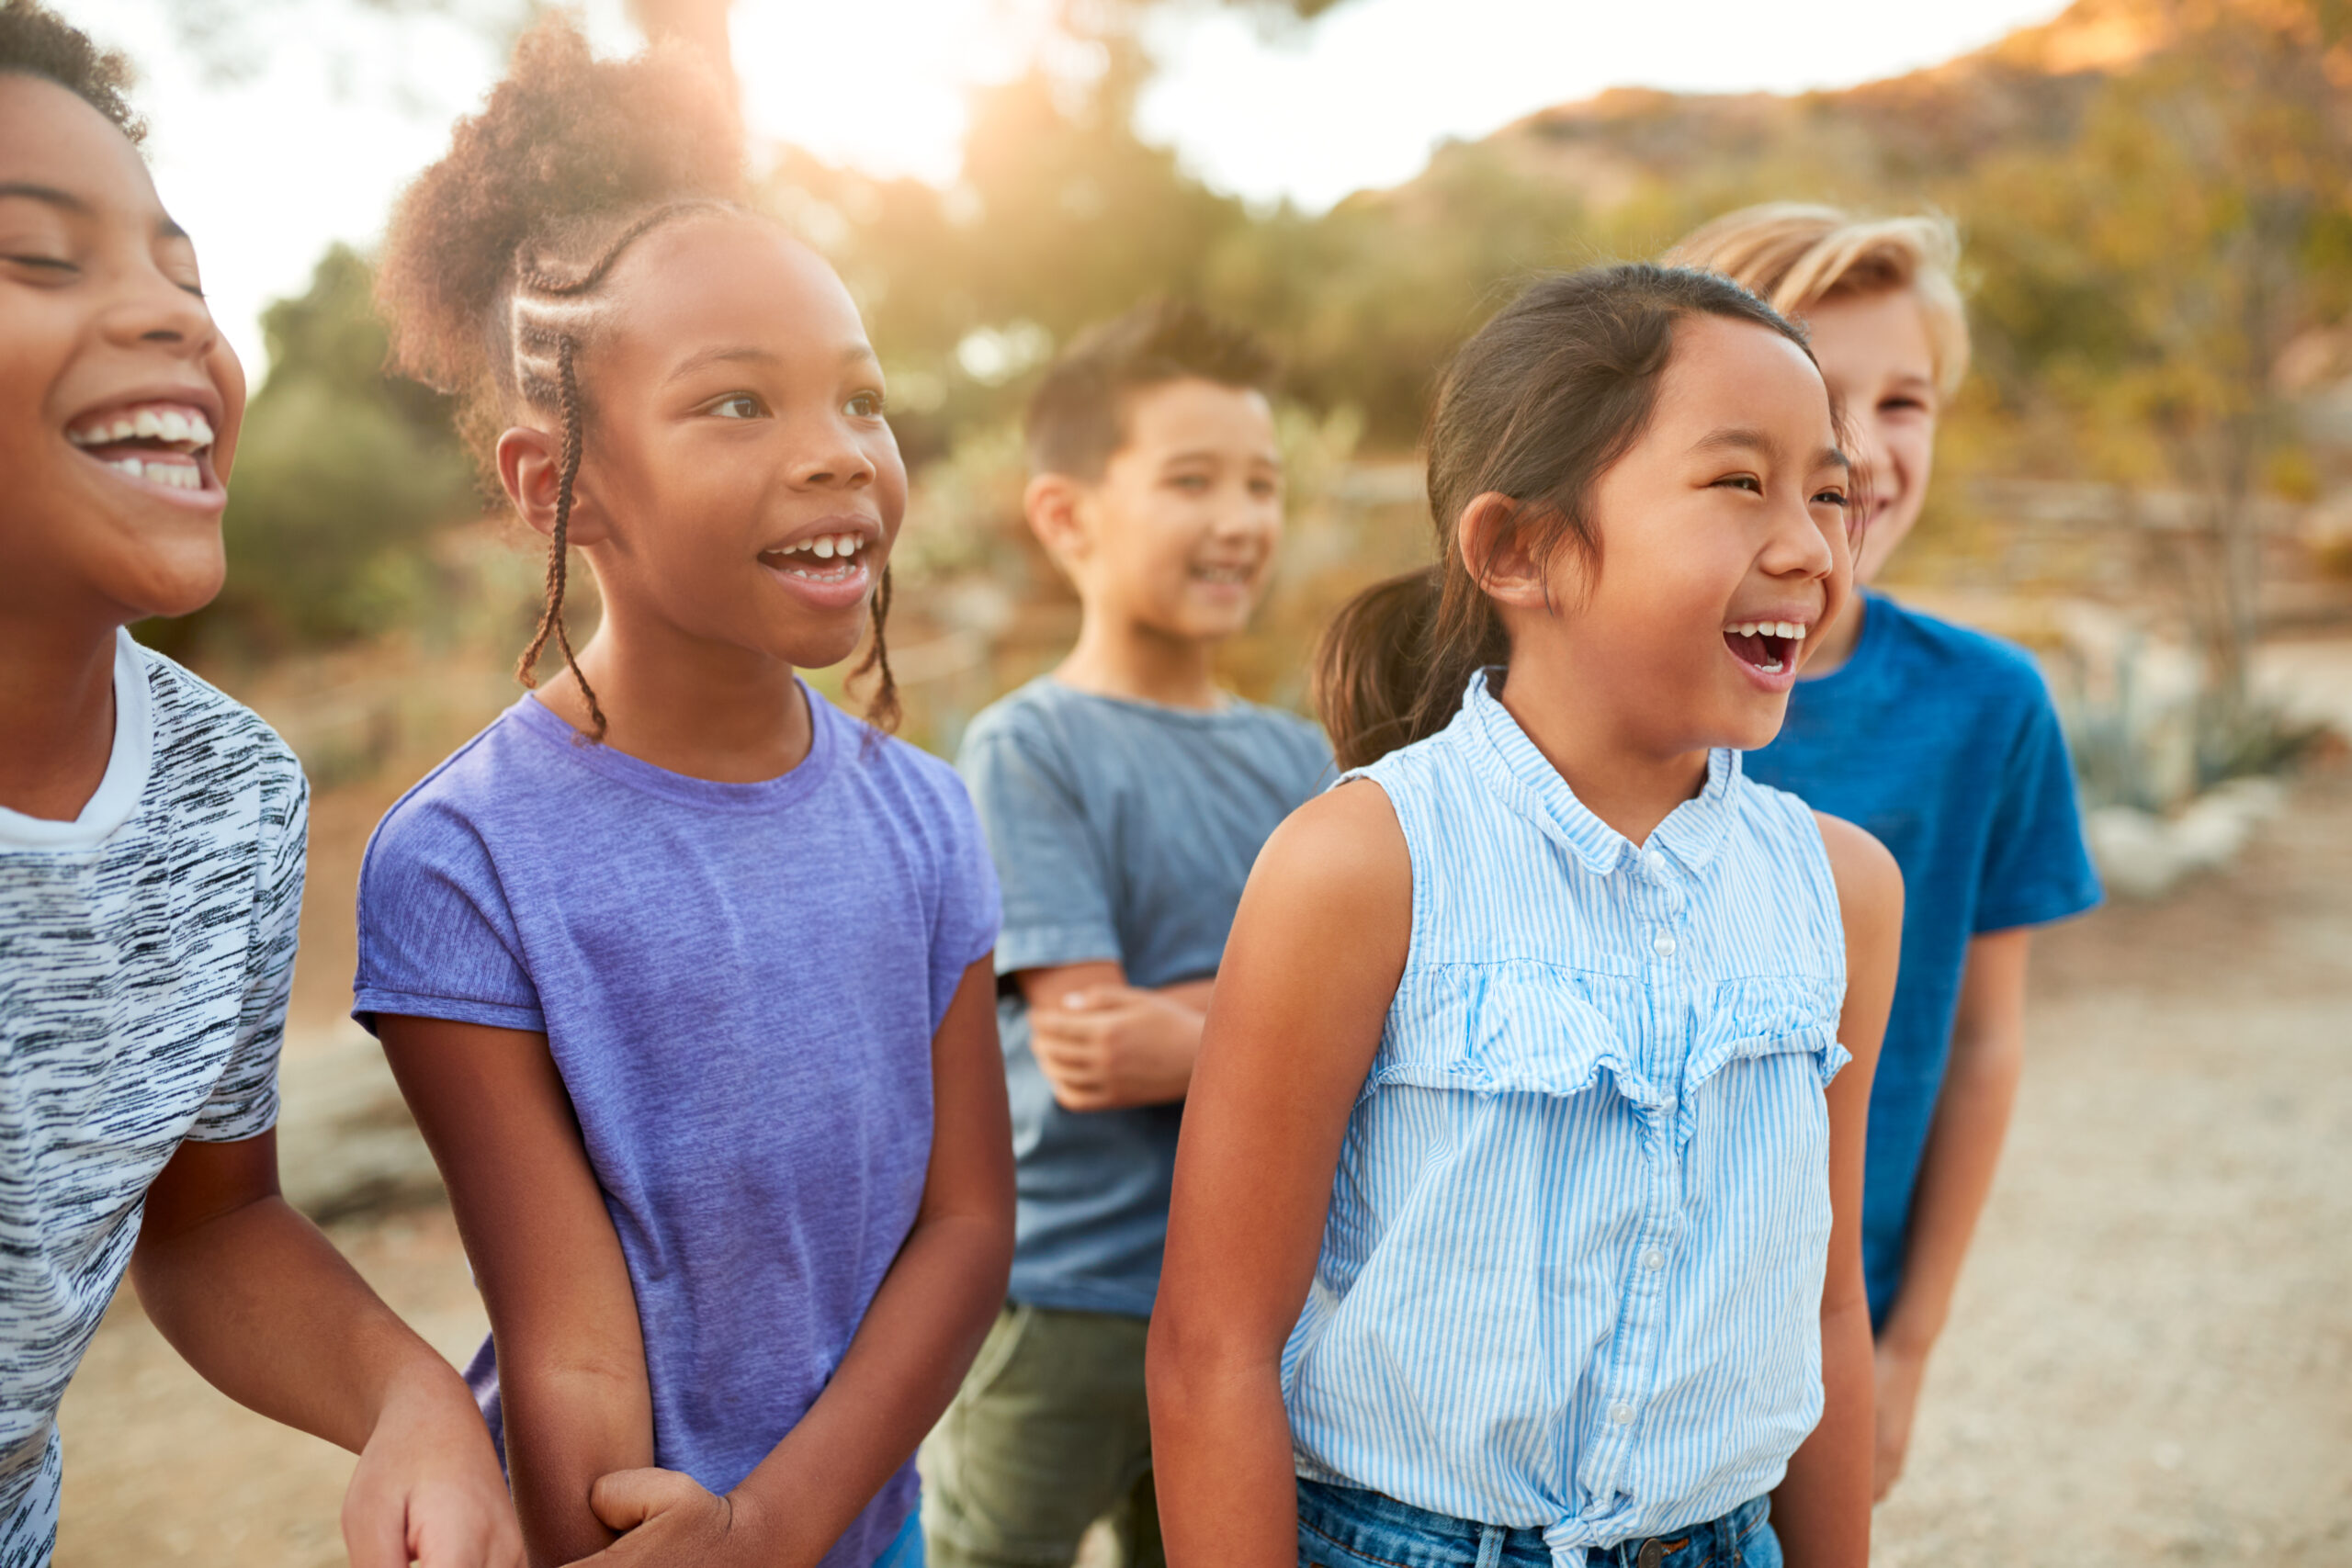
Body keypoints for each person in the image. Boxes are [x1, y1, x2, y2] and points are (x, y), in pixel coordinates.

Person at [355, 19, 1012, 1568]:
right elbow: (564, 1329)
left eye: (861, 398)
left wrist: (779, 1522)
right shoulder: (464, 864)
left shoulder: (926, 819)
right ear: (554, 484)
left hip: (858, 1535)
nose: (837, 455)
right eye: (739, 405)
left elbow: (968, 1225)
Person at [1148, 265, 1905, 1568]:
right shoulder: (1360, 868)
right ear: (1518, 550)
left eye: (1827, 494)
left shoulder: (1843, 892)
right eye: (1741, 484)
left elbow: (1825, 1311)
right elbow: (1212, 1347)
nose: (1811, 547)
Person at [0, 6, 519, 1565]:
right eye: (40, 257)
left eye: (184, 273)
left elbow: (211, 1220)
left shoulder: (226, 794)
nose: (173, 321)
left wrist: (412, 1397)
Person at [1665, 205, 2102, 1499]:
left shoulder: (1988, 705)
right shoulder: (1583, 695)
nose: (1859, 446)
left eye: (1902, 400)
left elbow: (1980, 1042)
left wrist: (1905, 1349)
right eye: (1808, 386)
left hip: (1819, 1338)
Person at [921, 300, 1333, 1568]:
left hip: (1258, 1308)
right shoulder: (1030, 744)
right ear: (1066, 515)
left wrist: (1201, 1027)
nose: (1240, 519)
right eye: (1192, 480)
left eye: (1261, 484)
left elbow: (1377, 1017)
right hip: (1070, 1300)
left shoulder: (1300, 756)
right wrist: (1286, 1029)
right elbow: (1096, 1046)